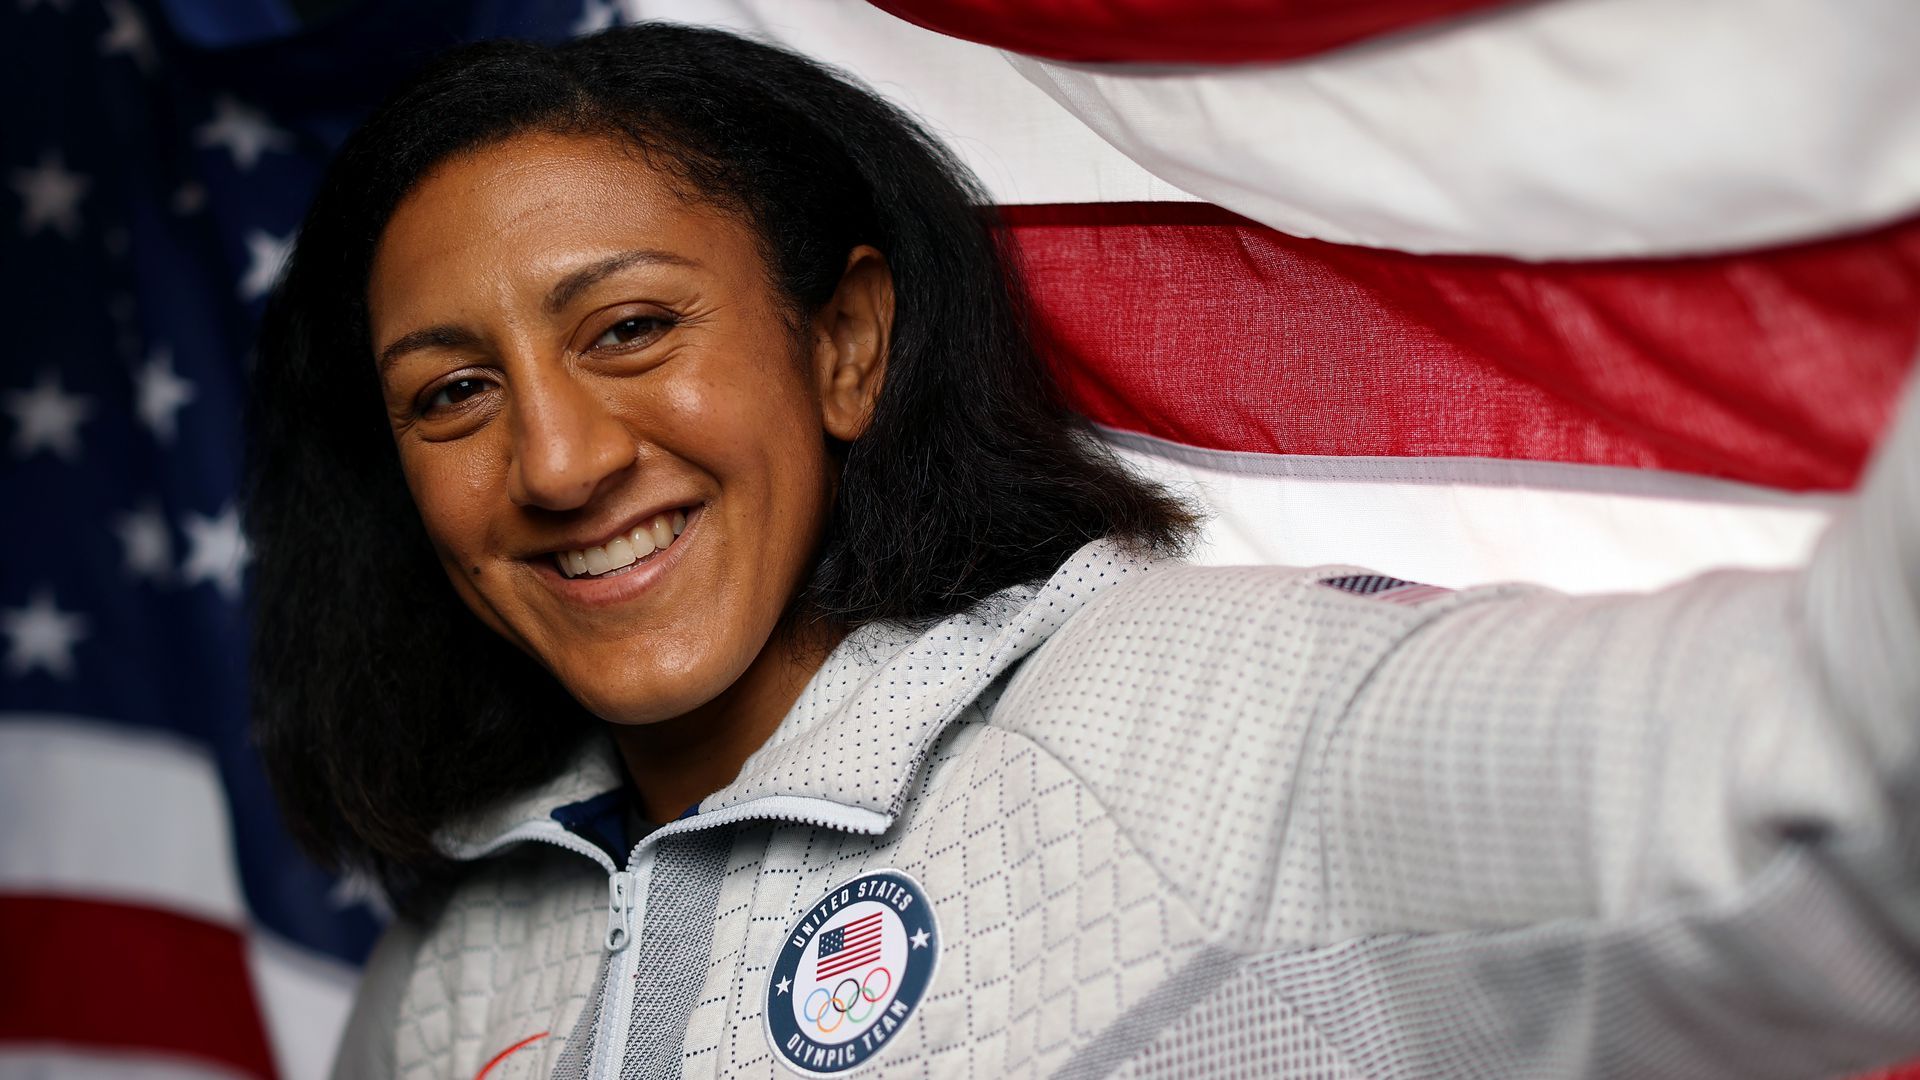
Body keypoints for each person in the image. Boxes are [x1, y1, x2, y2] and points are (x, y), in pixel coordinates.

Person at [247, 22, 1920, 1080]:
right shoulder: (461, 962)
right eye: (454, 392)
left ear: (846, 346)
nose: (555, 457)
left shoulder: (1203, 731)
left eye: (628, 329)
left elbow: (1838, 775)